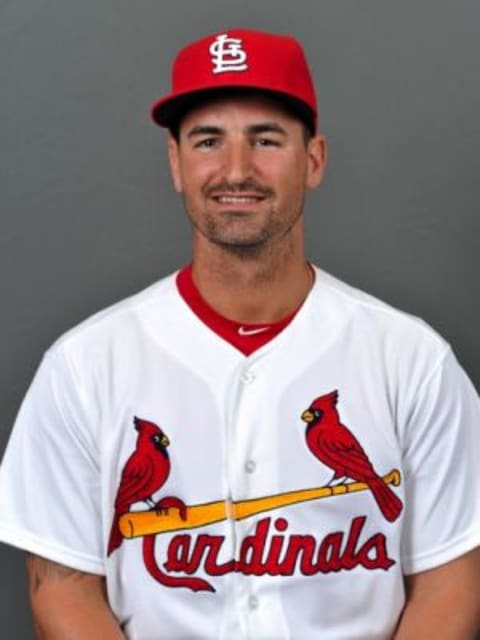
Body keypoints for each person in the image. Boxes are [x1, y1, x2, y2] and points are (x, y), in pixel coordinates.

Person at [0, 28, 479, 640]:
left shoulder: (412, 359)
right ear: (176, 163)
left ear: (314, 160)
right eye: (208, 140)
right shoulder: (83, 365)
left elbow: (451, 584)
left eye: (266, 139)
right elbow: (63, 594)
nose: (236, 170)